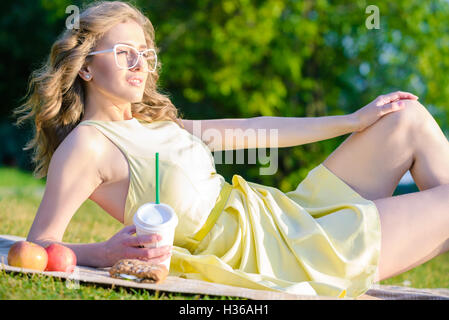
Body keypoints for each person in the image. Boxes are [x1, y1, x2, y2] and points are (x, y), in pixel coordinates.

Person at [13, 1, 449, 298]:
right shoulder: (88, 145)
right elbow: (39, 244)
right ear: (87, 66)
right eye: (125, 52)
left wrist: (353, 121)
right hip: (266, 256)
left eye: (145, 53)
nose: (140, 64)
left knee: (404, 118)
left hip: (278, 216)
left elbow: (255, 131)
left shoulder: (158, 124)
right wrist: (104, 253)